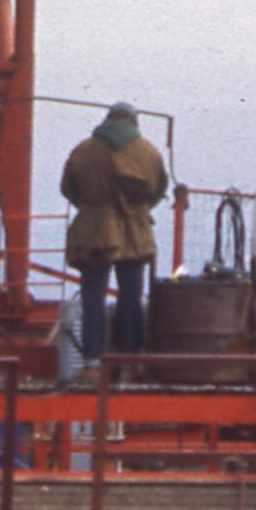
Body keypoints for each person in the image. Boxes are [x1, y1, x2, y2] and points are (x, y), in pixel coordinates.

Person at [59, 105, 168, 363]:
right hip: (135, 231)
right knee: (131, 296)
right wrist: (138, 209)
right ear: (134, 122)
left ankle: (92, 360)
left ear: (107, 119)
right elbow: (157, 190)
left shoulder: (83, 150)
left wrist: (90, 209)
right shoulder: (149, 152)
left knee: (93, 298)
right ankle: (129, 357)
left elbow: (68, 188)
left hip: (92, 232)